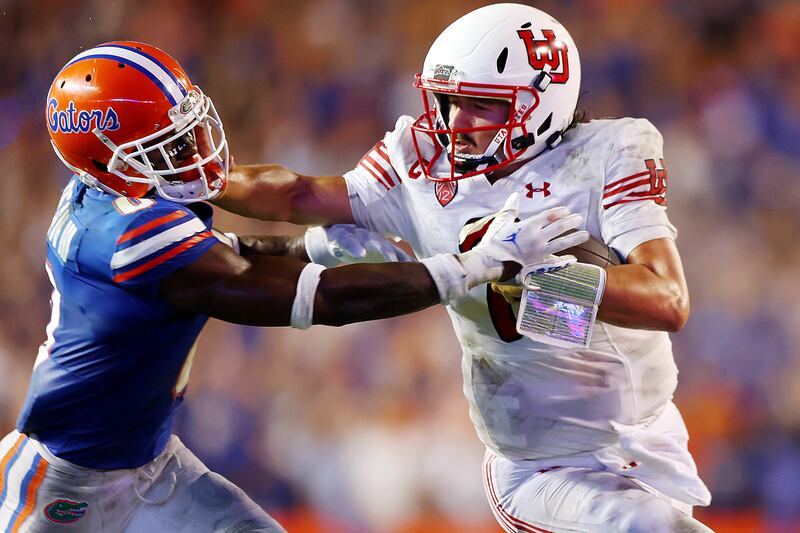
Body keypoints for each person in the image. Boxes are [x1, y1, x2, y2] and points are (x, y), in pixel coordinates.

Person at [0, 41, 586, 532]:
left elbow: (223, 254)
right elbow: (320, 299)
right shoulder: (127, 234)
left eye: (190, 130)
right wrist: (475, 265)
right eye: (171, 146)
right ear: (108, 161)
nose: (197, 152)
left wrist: (312, 246)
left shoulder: (116, 204)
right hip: (62, 487)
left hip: (153, 466)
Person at [216, 4, 716, 532]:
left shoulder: (610, 152)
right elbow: (298, 194)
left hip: (650, 435)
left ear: (540, 103)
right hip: (541, 464)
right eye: (449, 101)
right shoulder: (419, 162)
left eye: (480, 104)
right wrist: (207, 179)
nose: (456, 122)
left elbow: (668, 301)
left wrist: (540, 282)